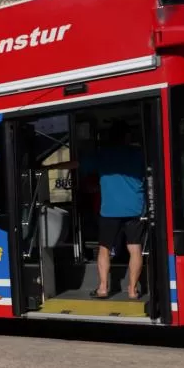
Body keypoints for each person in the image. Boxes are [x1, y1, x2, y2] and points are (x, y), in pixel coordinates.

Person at [52, 122, 146, 299]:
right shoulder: (138, 154)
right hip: (134, 208)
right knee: (135, 249)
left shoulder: (103, 155)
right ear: (127, 137)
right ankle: (133, 291)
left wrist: (50, 167)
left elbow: (76, 164)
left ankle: (103, 288)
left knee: (104, 248)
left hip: (110, 210)